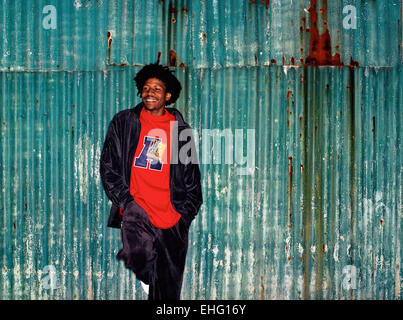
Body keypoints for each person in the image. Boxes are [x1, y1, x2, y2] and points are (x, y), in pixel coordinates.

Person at [99, 63, 203, 300]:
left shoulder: (180, 131)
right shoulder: (125, 122)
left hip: (172, 216)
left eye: (157, 89)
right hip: (137, 208)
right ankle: (147, 276)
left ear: (168, 96)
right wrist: (127, 201)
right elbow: (108, 166)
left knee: (167, 291)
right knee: (137, 255)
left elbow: (192, 179)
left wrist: (185, 214)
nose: (149, 93)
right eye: (146, 88)